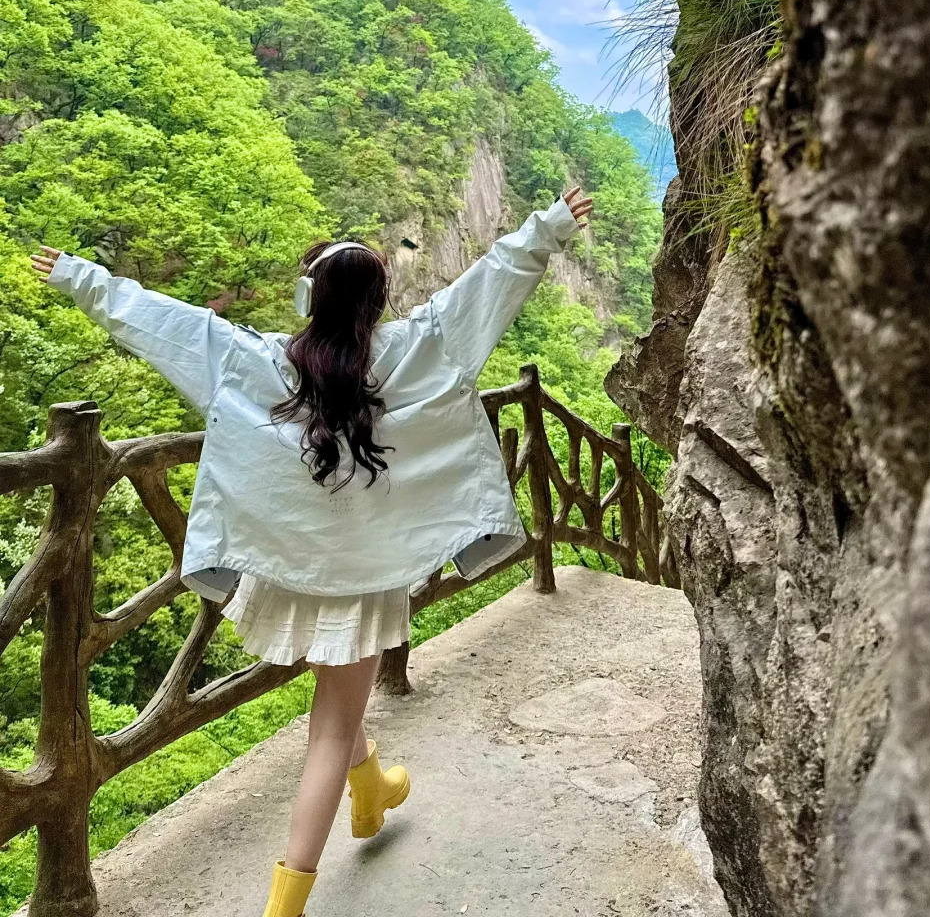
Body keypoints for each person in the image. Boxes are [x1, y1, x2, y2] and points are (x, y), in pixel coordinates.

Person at [31, 186, 593, 917]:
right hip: (366, 572)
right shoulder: (421, 347)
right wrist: (547, 225)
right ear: (377, 302)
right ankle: (284, 906)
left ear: (308, 297)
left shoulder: (252, 361)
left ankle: (373, 792)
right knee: (331, 721)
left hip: (293, 564)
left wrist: (81, 277)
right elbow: (493, 278)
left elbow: (157, 322)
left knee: (338, 693)